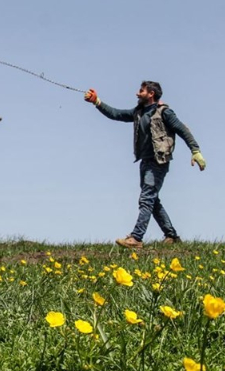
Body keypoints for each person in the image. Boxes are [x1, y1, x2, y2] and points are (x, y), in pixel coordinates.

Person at [84, 81, 206, 249]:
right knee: (152, 199)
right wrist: (97, 101)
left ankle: (136, 238)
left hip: (159, 162)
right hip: (145, 161)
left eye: (141, 91)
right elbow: (116, 114)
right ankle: (171, 235)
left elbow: (182, 130)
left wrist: (195, 150)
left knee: (146, 198)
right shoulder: (139, 112)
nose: (137, 93)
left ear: (151, 94)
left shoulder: (165, 112)